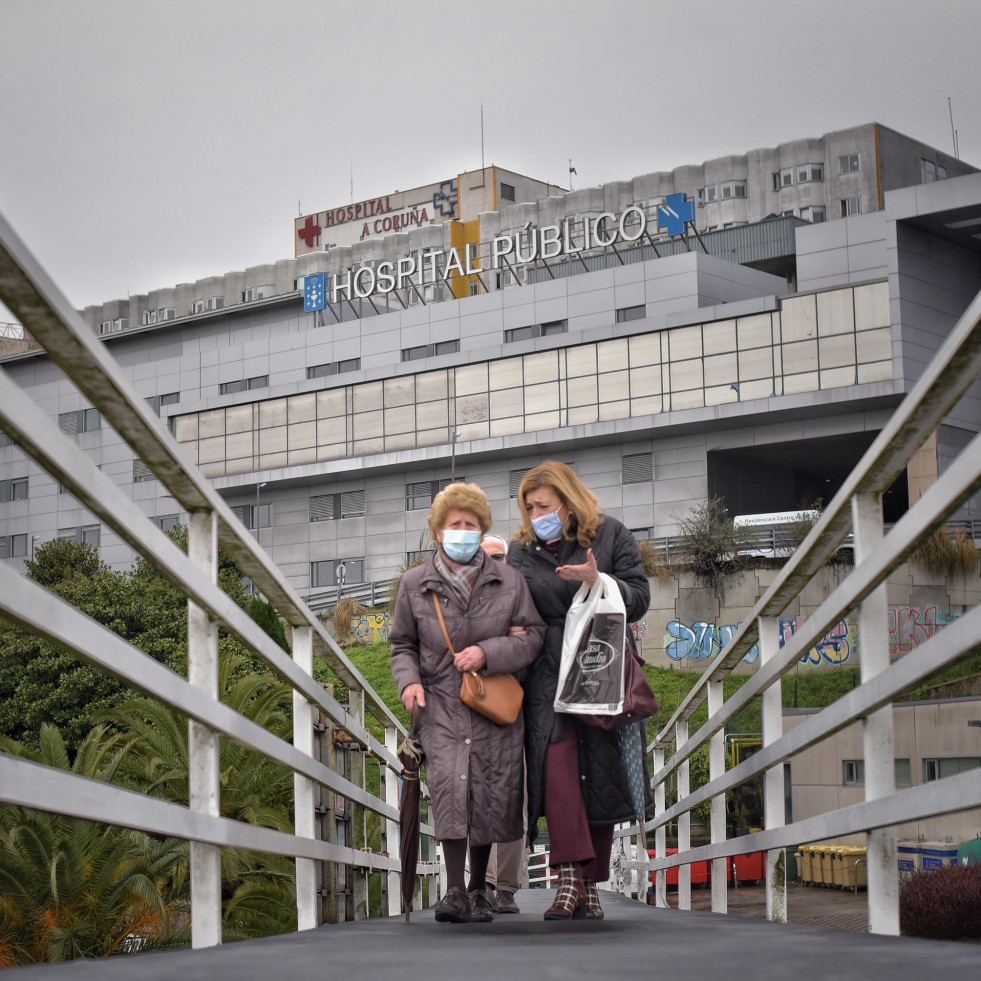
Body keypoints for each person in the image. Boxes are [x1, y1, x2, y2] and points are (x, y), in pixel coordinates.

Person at [391, 483, 544, 924]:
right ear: (438, 531)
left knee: (488, 793)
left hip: (491, 702)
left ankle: (481, 889)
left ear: (482, 530)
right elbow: (402, 644)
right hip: (439, 703)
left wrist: (489, 652)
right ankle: (455, 889)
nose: (462, 531)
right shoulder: (414, 584)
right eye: (454, 524)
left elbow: (534, 636)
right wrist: (408, 684)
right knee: (450, 791)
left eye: (471, 525)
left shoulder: (509, 580)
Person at [508, 461, 653, 921]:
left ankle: (590, 885)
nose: (535, 514)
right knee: (557, 769)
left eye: (543, 505)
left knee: (600, 768)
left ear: (568, 502)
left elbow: (640, 596)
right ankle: (569, 876)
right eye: (529, 507)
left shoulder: (610, 535)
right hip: (546, 672)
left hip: (599, 665)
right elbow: (511, 608)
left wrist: (600, 582)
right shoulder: (521, 552)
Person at [473, 533, 527, 916]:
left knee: (513, 802)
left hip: (514, 713)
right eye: (488, 557)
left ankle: (505, 886)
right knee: (475, 800)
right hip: (472, 713)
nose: (496, 563)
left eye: (501, 556)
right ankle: (483, 883)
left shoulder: (522, 600)